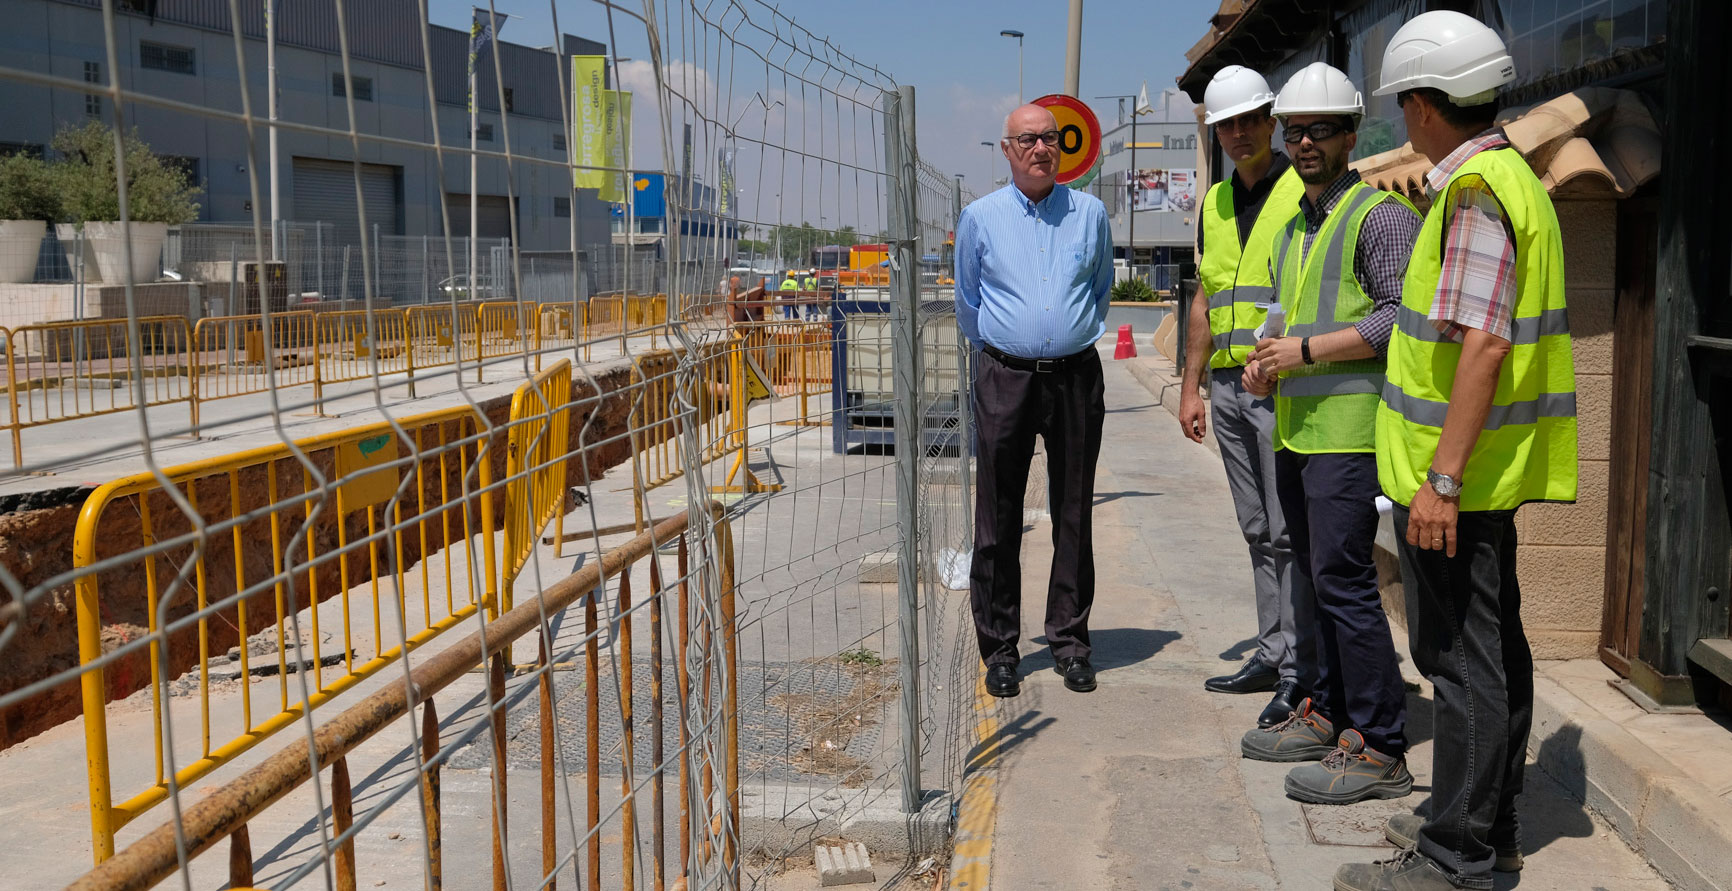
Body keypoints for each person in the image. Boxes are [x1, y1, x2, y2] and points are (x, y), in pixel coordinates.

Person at [1336, 12, 1577, 891]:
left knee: (1461, 665)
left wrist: (1439, 478)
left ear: (1426, 104)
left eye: (1404, 101)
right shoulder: (1505, 179)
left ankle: (1458, 853)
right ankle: (1488, 826)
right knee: (1494, 650)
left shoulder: (1475, 193)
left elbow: (1482, 345)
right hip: (1483, 473)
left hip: (1455, 481)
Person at [1236, 62, 1420, 809]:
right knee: (1315, 581)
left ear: (1351, 135)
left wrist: (1305, 354)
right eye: (1294, 131)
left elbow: (1399, 315)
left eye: (1319, 129)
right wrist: (1265, 365)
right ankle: (1332, 714)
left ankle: (1380, 743)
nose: (1304, 142)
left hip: (1348, 430)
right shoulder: (1292, 230)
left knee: (1344, 582)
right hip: (1297, 427)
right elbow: (1286, 324)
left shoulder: (1379, 217)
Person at [954, 102, 1114, 698]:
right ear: (1007, 150)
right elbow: (968, 300)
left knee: (1074, 512)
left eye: (1049, 138)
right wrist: (1008, 348)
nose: (1041, 149)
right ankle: (999, 648)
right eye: (1027, 140)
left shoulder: (1090, 213)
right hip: (1006, 377)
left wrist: (1065, 335)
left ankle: (1070, 642)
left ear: (1061, 146)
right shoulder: (981, 217)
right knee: (997, 515)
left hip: (1075, 378)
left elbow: (1098, 291)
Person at [1184, 64, 1312, 727]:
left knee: (1290, 531)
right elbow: (1206, 297)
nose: (1238, 134)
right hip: (1231, 388)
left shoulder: (1302, 192)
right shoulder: (1215, 203)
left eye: (1248, 121)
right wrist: (1192, 386)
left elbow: (1310, 293)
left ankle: (1299, 669)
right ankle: (1271, 648)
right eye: (1226, 125)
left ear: (1271, 122)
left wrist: (1278, 359)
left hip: (1282, 382)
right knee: (1257, 528)